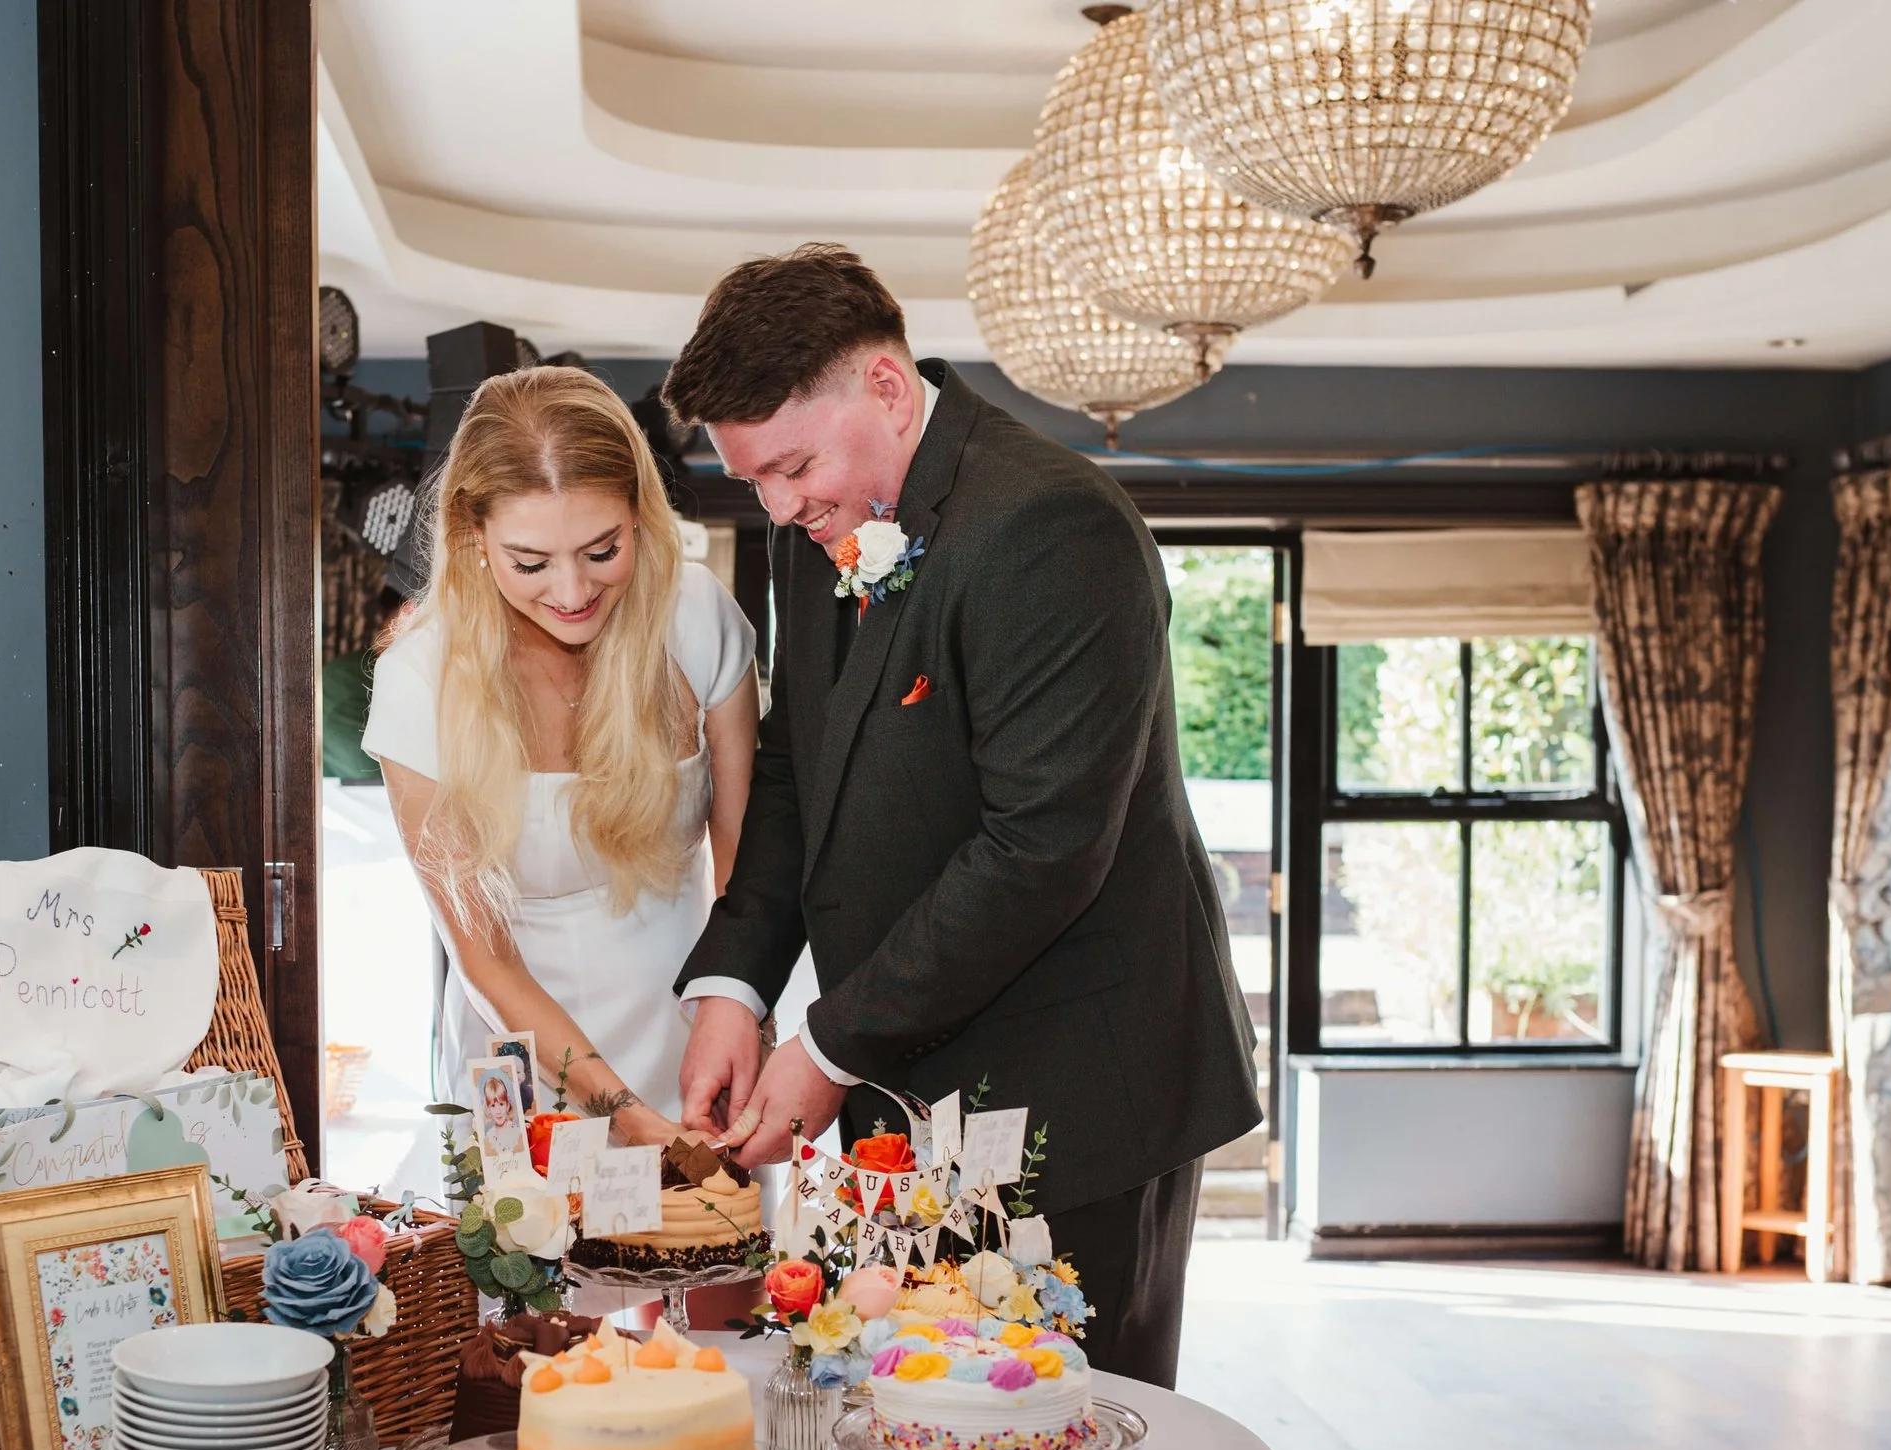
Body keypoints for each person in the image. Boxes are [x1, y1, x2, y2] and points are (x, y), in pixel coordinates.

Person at [663, 245, 1259, 1390]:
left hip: (1080, 1088)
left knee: (1066, 1439)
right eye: (754, 483)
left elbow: (1041, 847)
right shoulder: (814, 532)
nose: (781, 508)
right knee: (915, 1416)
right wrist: (733, 983)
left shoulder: (1052, 527)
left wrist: (828, 1044)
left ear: (885, 389)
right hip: (914, 1087)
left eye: (791, 465)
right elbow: (797, 770)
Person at [361, 366, 759, 1157]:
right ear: (473, 537)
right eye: (531, 563)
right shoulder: (421, 679)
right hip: (522, 1047)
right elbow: (484, 956)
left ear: (641, 518)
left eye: (602, 550)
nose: (573, 591)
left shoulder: (697, 617)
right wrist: (625, 1112)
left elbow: (743, 869)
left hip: (697, 1031)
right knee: (541, 1265)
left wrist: (745, 1013)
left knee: (717, 1267)